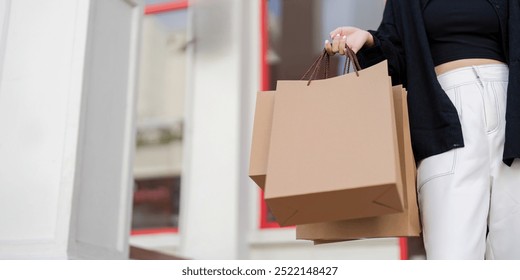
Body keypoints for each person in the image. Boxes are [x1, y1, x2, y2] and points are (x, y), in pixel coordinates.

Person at [324, 0, 520, 260]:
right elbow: (396, 51)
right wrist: (369, 40)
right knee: (452, 255)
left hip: (512, 113)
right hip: (443, 116)